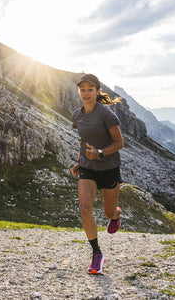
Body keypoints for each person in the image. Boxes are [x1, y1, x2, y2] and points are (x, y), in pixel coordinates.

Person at [70, 73, 124, 275]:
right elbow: (83, 141)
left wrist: (100, 153)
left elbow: (119, 143)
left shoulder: (106, 114)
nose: (85, 93)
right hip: (87, 168)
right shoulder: (77, 115)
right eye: (82, 89)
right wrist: (78, 162)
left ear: (98, 91)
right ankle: (96, 253)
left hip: (109, 168)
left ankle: (116, 215)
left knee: (109, 212)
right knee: (85, 209)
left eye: (90, 89)